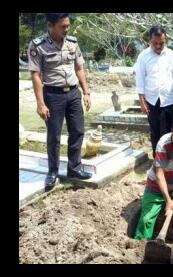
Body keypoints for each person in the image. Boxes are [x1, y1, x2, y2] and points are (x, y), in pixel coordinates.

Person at [28, 13, 92, 191]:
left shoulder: (72, 42)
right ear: (50, 25)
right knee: (54, 136)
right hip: (52, 95)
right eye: (63, 26)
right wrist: (40, 103)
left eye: (68, 25)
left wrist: (86, 92)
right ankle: (53, 172)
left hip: (73, 93)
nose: (67, 29)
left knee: (78, 131)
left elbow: (79, 67)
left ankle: (75, 168)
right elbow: (35, 75)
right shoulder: (37, 46)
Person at [135, 26, 173, 157]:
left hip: (169, 99)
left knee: (170, 131)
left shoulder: (171, 55)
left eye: (161, 43)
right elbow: (140, 79)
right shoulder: (143, 56)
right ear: (149, 40)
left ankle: (171, 157)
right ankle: (158, 159)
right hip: (152, 100)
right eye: (155, 43)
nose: (158, 46)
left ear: (165, 40)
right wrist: (142, 101)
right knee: (155, 131)